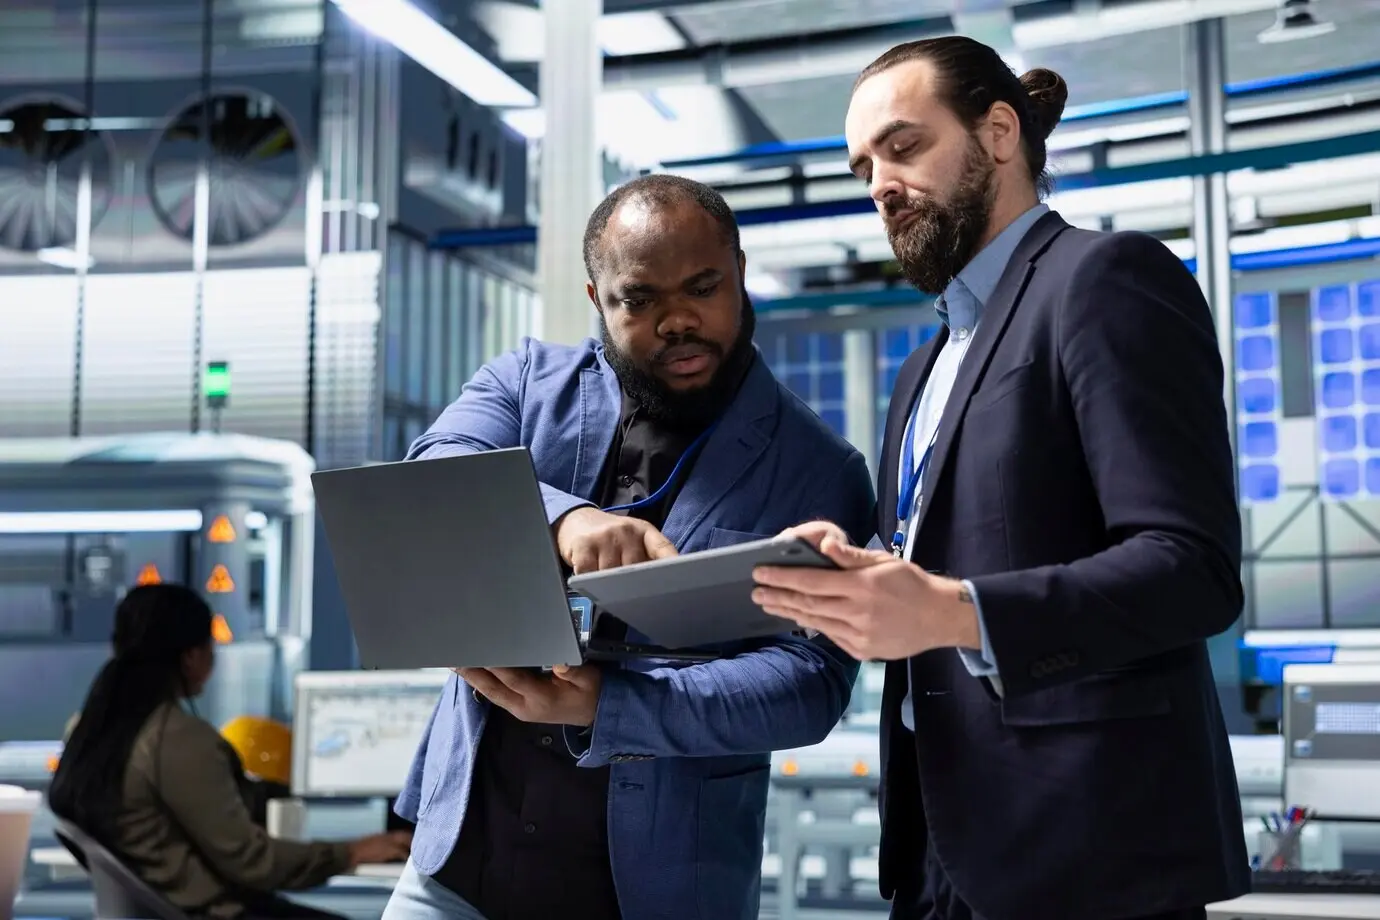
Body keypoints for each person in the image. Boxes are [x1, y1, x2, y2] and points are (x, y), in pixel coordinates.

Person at [752, 36, 1249, 920]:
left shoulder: (1104, 279)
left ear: (1000, 132)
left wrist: (949, 611)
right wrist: (859, 572)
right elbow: (954, 550)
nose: (879, 184)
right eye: (864, 165)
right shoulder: (925, 366)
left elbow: (1191, 568)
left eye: (904, 147)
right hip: (939, 848)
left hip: (1086, 853)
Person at [381, 174, 875, 920]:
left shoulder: (817, 468)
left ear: (739, 274)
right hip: (457, 868)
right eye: (639, 300)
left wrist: (610, 706)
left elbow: (810, 684)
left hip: (659, 889)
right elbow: (425, 483)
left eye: (702, 287)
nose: (677, 320)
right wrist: (563, 521)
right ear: (597, 302)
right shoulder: (525, 383)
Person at [48, 584, 412, 919]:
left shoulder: (92, 730)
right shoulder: (175, 738)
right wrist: (352, 851)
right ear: (192, 656)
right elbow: (255, 863)